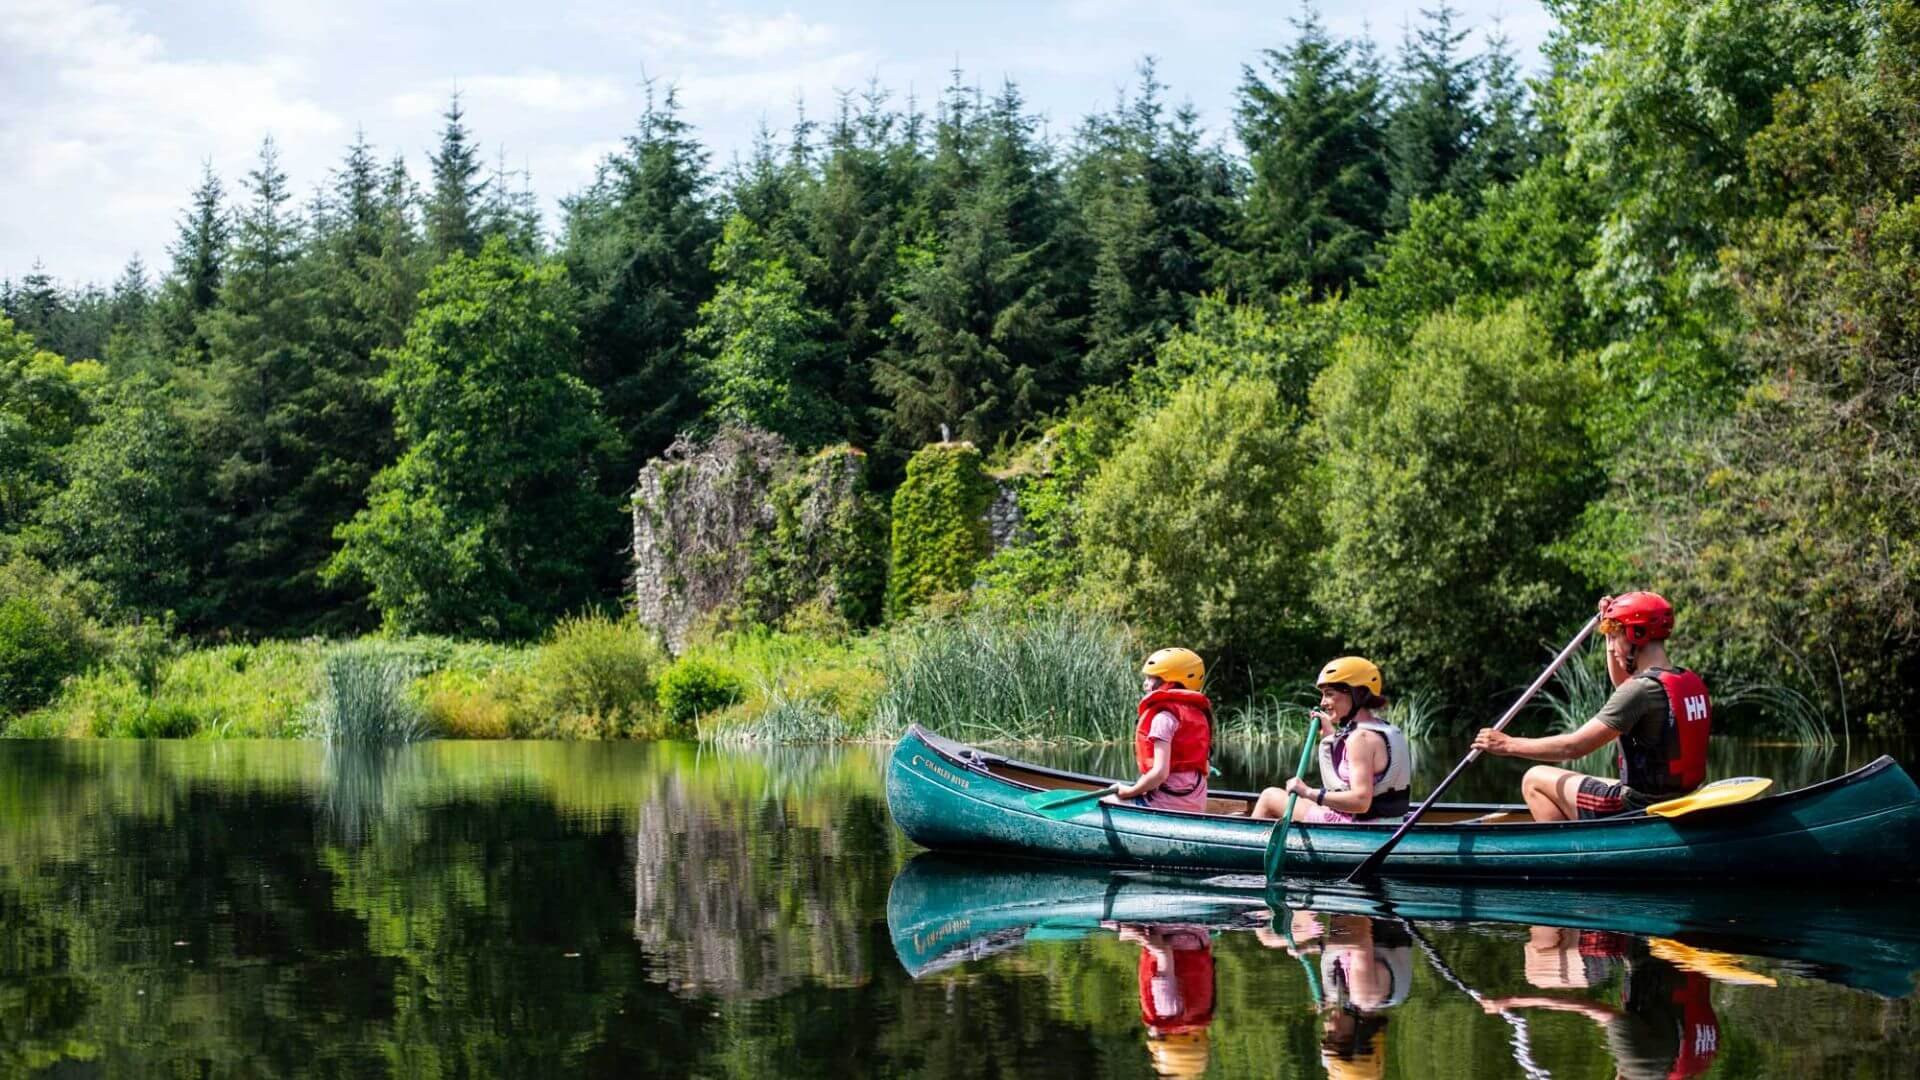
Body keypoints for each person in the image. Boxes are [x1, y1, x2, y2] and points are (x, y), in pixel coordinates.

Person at [1473, 592, 1713, 821]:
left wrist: (1508, 744)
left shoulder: (1640, 691)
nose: (1613, 646)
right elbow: (1623, 684)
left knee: (1534, 779)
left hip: (1637, 807)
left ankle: (1569, 854)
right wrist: (1610, 636)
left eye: (1615, 635)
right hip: (1679, 799)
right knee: (1595, 780)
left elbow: (1573, 747)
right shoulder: (1688, 680)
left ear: (1635, 635)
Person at [1479, 930, 1721, 1080]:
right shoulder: (1641, 1066)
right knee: (1542, 969)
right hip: (1659, 939)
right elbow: (1589, 1008)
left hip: (1698, 943)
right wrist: (1512, 1001)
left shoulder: (1694, 1065)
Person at [1251, 657, 1411, 822]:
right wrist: (1330, 734)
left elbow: (1361, 802)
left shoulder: (1360, 739)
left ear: (1358, 694)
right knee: (1304, 801)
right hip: (1384, 825)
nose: (1322, 702)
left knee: (1269, 796)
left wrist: (1308, 792)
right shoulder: (1383, 729)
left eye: (1329, 694)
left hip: (1354, 828)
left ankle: (1250, 845)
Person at [1107, 921, 1215, 1079]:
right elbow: (1163, 952)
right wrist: (1132, 933)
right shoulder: (1166, 1012)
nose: (1153, 1033)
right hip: (1170, 928)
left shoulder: (1200, 1014)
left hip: (1198, 932)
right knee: (1107, 923)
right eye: (1159, 1038)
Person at [1114, 648, 1213, 813]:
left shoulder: (1163, 718)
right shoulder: (1200, 717)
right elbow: (1206, 771)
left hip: (1166, 806)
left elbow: (1160, 773)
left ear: (1169, 682)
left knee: (1105, 799)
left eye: (1151, 678)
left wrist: (1129, 792)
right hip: (1196, 806)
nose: (1145, 684)